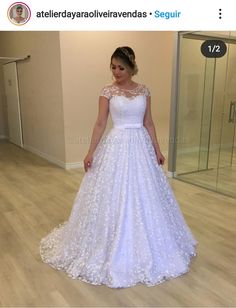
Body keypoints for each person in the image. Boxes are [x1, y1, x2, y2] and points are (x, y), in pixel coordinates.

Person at [40, 46, 198, 288]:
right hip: (117, 144)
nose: (116, 72)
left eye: (121, 67)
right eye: (113, 67)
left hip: (140, 146)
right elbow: (101, 122)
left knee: (147, 195)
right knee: (112, 194)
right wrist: (90, 151)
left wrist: (157, 148)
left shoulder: (144, 90)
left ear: (132, 67)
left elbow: (149, 122)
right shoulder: (107, 91)